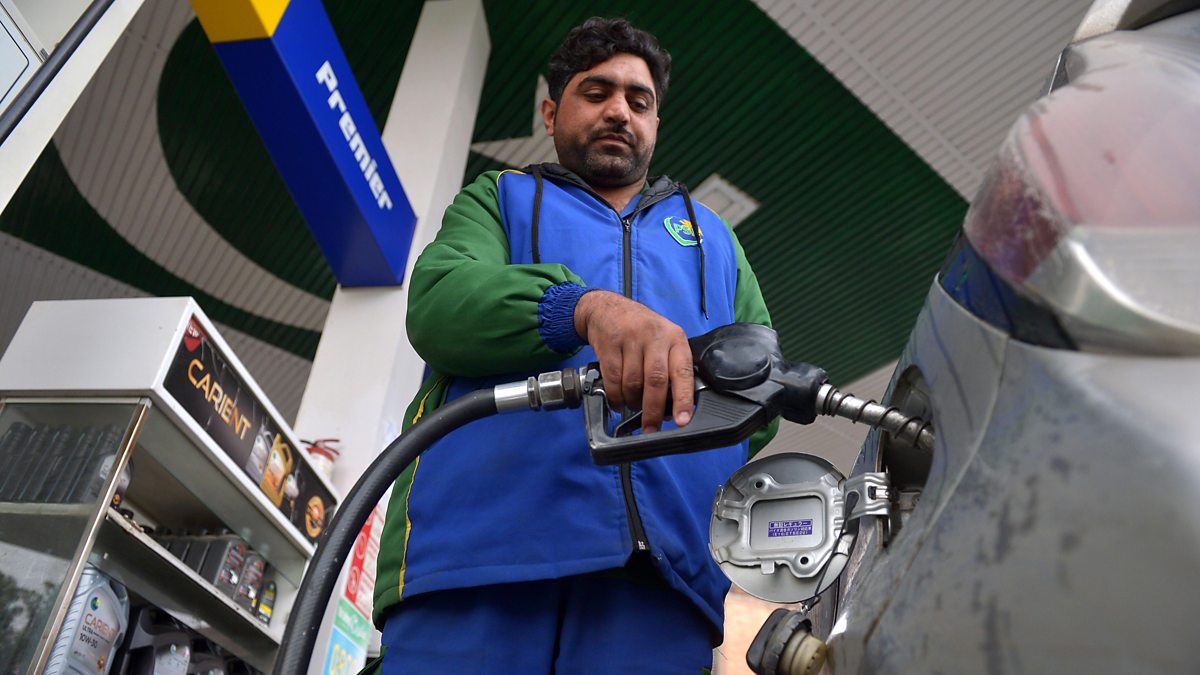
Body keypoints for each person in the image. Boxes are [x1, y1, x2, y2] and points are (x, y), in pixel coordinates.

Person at [371, 17, 777, 673]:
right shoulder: (498, 198)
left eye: (639, 101)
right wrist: (581, 308)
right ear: (551, 111)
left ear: (655, 124)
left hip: (662, 595)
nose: (619, 110)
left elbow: (760, 398)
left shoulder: (716, 241)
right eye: (596, 92)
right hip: (476, 566)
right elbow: (439, 302)